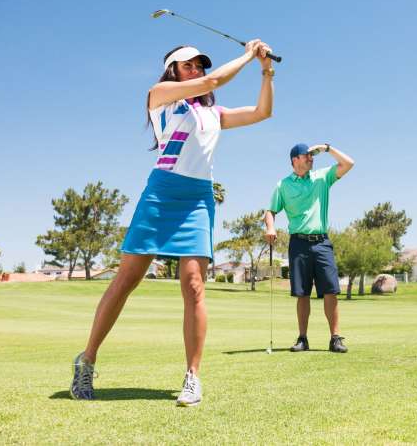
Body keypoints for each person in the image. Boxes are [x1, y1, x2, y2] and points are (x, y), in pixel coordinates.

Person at [70, 39, 275, 407]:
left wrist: (265, 71)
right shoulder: (159, 95)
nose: (196, 70)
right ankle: (87, 359)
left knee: (194, 284)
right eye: (189, 65)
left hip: (198, 199)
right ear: (173, 70)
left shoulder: (215, 114)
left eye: (199, 65)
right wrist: (247, 54)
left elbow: (263, 112)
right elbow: (212, 83)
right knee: (126, 280)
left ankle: (193, 376)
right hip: (161, 194)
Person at [264, 143, 354, 353]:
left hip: (322, 242)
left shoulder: (322, 178)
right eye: (307, 156)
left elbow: (348, 163)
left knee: (331, 290)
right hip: (299, 243)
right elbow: (270, 210)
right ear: (295, 160)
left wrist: (327, 148)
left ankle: (335, 338)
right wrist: (270, 226)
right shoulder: (283, 185)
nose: (312, 159)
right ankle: (303, 339)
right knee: (302, 293)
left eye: (312, 156)